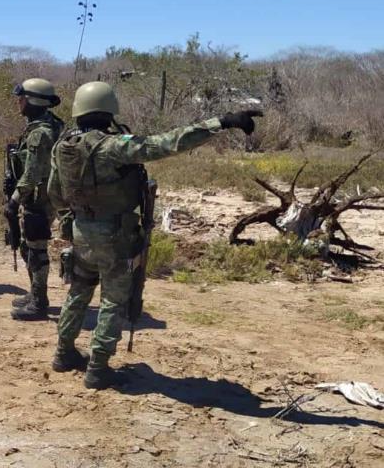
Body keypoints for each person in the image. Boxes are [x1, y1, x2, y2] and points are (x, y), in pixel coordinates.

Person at [47, 81, 261, 389]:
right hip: (115, 234)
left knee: (78, 291)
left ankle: (63, 353)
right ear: (109, 112)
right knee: (112, 300)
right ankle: (97, 368)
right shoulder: (114, 146)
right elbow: (168, 143)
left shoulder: (63, 146)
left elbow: (56, 192)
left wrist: (74, 219)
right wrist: (221, 122)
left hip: (80, 230)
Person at [5, 78, 63, 320]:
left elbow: (33, 172)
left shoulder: (41, 133)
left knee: (36, 247)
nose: (18, 103)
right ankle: (35, 293)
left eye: (21, 98)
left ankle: (39, 303)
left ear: (33, 100)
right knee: (28, 244)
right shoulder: (45, 125)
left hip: (40, 198)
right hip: (40, 195)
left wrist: (14, 200)